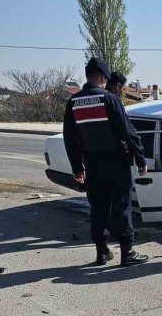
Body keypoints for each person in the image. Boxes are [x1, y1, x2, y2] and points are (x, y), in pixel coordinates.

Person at [63, 57, 148, 267]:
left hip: (92, 165)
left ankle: (101, 252)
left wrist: (77, 167)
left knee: (98, 208)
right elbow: (127, 131)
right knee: (121, 206)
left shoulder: (73, 102)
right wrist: (139, 157)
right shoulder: (109, 99)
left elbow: (70, 138)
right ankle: (127, 252)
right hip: (117, 162)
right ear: (102, 77)